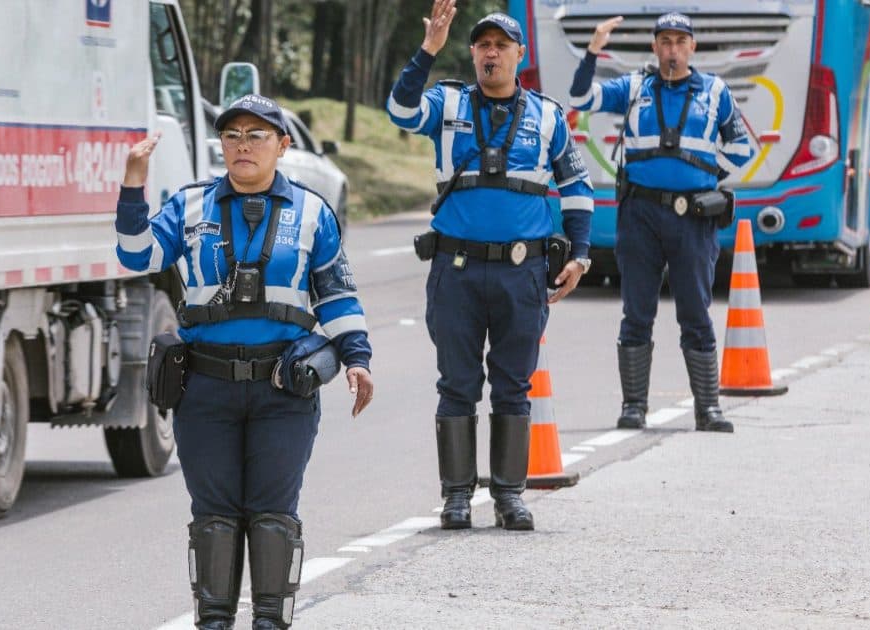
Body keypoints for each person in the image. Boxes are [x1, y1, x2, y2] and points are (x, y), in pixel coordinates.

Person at [115, 94, 373, 630]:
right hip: (205, 389)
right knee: (214, 514)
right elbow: (136, 254)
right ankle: (213, 622)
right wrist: (133, 183)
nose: (242, 145)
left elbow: (337, 297)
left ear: (282, 145)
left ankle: (271, 622)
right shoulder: (189, 207)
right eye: (232, 135)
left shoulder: (311, 212)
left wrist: (357, 358)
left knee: (273, 512)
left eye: (257, 135)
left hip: (284, 390)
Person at [387, 0, 594, 531]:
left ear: (519, 55)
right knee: (456, 383)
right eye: (482, 45)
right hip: (455, 272)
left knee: (512, 385)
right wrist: (427, 50)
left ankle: (508, 496)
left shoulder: (547, 115)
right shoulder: (448, 103)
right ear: (473, 53)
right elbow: (400, 110)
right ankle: (457, 497)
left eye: (501, 45)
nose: (490, 53)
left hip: (521, 275)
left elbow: (576, 186)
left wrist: (580, 253)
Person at [569, 13, 755, 433]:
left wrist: (709, 180)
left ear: (693, 47)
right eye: (665, 41)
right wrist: (593, 50)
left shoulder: (715, 91)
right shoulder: (635, 88)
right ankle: (634, 406)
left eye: (680, 41)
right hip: (640, 215)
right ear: (655, 47)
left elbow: (743, 145)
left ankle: (708, 409)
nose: (672, 49)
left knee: (696, 312)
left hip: (693, 219)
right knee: (637, 312)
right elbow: (580, 98)